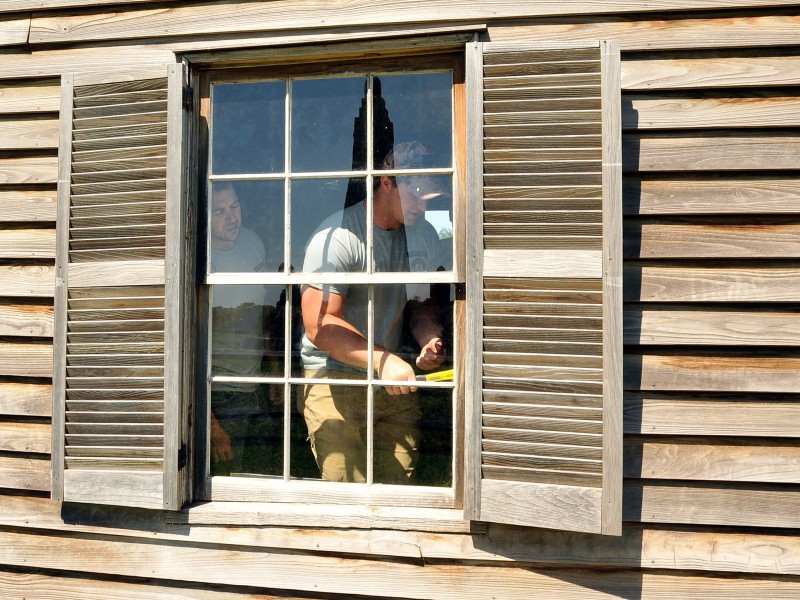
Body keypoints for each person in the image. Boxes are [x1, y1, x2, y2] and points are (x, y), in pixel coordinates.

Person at [299, 142, 448, 484]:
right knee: (345, 488)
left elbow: (417, 305)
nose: (423, 206)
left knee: (400, 488)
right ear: (386, 181)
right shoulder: (338, 236)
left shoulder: (422, 233)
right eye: (417, 194)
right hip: (334, 376)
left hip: (392, 378)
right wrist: (384, 360)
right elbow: (320, 325)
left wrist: (429, 339)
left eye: (431, 199)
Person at [208, 182, 275, 475]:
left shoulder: (252, 243)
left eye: (234, 206)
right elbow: (186, 348)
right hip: (220, 392)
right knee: (224, 479)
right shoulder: (200, 257)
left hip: (256, 385)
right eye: (219, 211)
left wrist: (273, 369)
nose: (232, 217)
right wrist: (210, 424)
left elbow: (263, 314)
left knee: (259, 473)